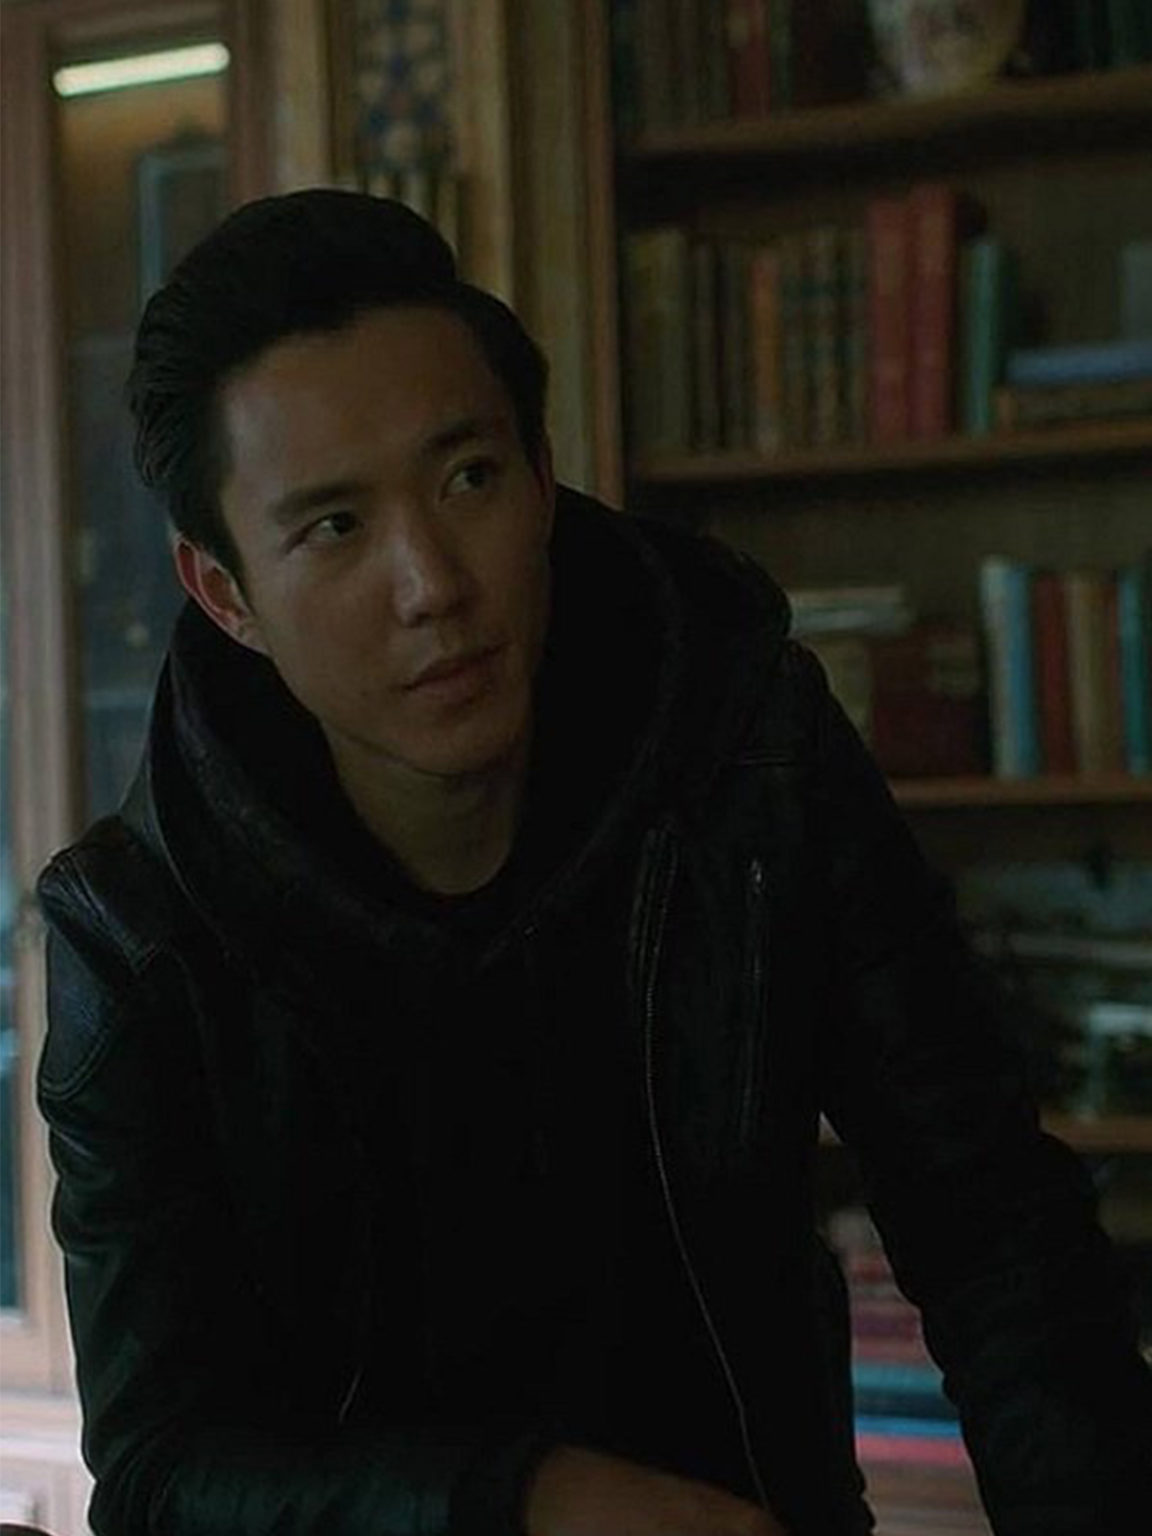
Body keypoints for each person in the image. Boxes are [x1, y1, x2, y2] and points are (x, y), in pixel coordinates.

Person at [36, 188, 1151, 1536]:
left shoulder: (751, 754)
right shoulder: (135, 936)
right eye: (334, 528)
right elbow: (162, 1470)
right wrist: (523, 1501)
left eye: (469, 478)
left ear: (542, 473)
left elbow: (991, 1218)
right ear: (226, 594)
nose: (433, 583)